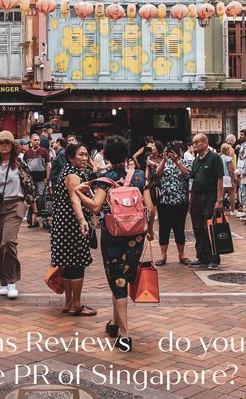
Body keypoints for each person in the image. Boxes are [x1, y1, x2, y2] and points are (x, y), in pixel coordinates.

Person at [75, 135, 155, 351]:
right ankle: (114, 323)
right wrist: (151, 229)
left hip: (113, 235)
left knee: (117, 280)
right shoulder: (139, 177)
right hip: (136, 236)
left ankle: (125, 335)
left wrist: (77, 192)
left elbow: (95, 206)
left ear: (107, 155)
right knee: (122, 279)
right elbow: (151, 208)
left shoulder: (105, 178)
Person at [0, 131, 37, 299]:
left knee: (8, 241)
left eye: (7, 142)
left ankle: (12, 281)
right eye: (1, 142)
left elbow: (29, 185)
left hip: (15, 204)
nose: (4, 145)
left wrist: (34, 209)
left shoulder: (19, 163)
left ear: (12, 146)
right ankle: (2, 281)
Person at [50, 142, 96, 316]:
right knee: (76, 264)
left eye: (86, 155)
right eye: (81, 155)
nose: (85, 158)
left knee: (67, 264)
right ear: (70, 157)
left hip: (63, 223)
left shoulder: (69, 171)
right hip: (72, 224)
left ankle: (69, 302)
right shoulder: (73, 175)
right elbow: (74, 199)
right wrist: (82, 220)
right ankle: (76, 304)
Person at [188, 133, 224, 270]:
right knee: (197, 228)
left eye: (197, 142)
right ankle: (201, 257)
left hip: (210, 196)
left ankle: (213, 258)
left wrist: (219, 200)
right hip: (197, 197)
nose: (194, 145)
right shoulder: (196, 160)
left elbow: (219, 180)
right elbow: (192, 178)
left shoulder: (214, 158)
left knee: (209, 227)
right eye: (193, 142)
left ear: (205, 143)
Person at [154, 141, 191, 266]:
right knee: (164, 228)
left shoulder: (185, 162)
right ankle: (163, 255)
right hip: (165, 201)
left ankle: (182, 255)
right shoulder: (164, 162)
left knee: (179, 228)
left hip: (180, 201)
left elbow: (187, 174)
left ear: (181, 151)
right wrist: (164, 160)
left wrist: (177, 162)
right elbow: (158, 174)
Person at [24, 134, 50, 227]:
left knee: (42, 198)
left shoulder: (44, 151)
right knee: (31, 199)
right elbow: (25, 167)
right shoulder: (27, 153)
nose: (37, 142)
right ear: (31, 141)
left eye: (38, 140)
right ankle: (32, 220)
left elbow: (48, 165)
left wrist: (47, 178)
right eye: (35, 140)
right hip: (31, 180)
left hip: (41, 179)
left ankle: (44, 219)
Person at [235, 128, 246, 218]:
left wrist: (241, 170)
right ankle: (244, 209)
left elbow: (244, 158)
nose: (240, 136)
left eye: (242, 135)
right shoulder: (243, 144)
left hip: (245, 171)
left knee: (245, 192)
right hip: (241, 169)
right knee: (243, 191)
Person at [145, 140, 164, 207]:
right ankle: (154, 214)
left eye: (153, 146)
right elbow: (147, 168)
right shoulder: (149, 157)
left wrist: (153, 163)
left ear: (158, 147)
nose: (152, 148)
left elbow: (163, 167)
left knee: (160, 199)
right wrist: (146, 179)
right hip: (151, 180)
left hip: (160, 180)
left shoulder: (163, 157)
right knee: (152, 198)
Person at [220, 142, 237, 214]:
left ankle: (219, 210)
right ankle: (232, 210)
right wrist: (233, 180)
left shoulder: (219, 158)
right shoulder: (229, 159)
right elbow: (231, 170)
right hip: (228, 177)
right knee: (232, 194)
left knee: (220, 195)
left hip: (221, 177)